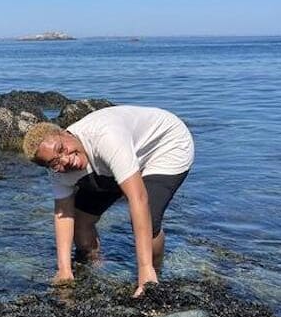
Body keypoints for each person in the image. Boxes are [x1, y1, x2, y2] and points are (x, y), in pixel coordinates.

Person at [22, 105, 194, 297]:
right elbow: (64, 213)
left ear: (65, 133)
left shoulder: (105, 136)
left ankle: (153, 276)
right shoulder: (59, 171)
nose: (65, 160)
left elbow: (138, 197)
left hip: (166, 146)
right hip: (118, 160)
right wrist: (64, 269)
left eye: (62, 149)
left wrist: (144, 268)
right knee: (80, 222)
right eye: (54, 162)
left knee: (149, 217)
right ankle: (96, 270)